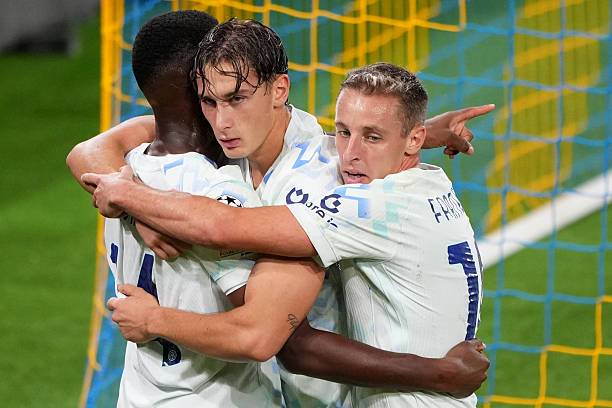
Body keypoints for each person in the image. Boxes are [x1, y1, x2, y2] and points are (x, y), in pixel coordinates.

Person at [72, 18, 492, 406]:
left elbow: (278, 338)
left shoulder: (321, 181)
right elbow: (87, 151)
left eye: (236, 98)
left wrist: (134, 203)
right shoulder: (221, 161)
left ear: (279, 90)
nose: (223, 121)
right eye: (210, 101)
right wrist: (140, 208)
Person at [103, 10, 282, 407]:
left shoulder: (122, 174)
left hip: (139, 395)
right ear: (200, 82)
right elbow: (260, 329)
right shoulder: (216, 188)